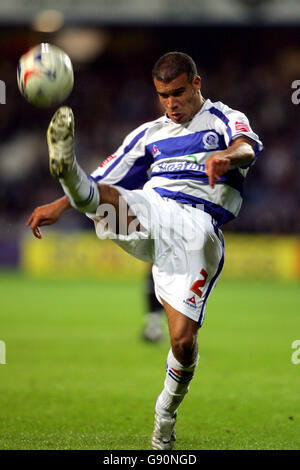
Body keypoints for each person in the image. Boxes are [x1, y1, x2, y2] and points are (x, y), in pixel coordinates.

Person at [26, 52, 263, 450]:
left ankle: (165, 418)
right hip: (154, 210)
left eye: (178, 93)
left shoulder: (223, 118)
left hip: (197, 230)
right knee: (103, 195)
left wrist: (225, 156)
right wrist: (60, 203)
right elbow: (106, 178)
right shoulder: (147, 135)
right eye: (162, 95)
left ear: (197, 84)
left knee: (183, 344)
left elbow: (247, 148)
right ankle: (68, 170)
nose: (171, 103)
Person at [143, 265, 164, 342]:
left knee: (155, 308)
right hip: (154, 277)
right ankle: (153, 332)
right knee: (154, 309)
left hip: (157, 278)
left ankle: (154, 333)